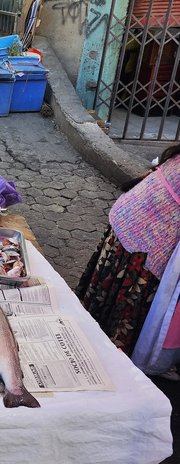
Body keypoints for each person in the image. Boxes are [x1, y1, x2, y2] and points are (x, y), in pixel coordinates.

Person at [75, 144, 179, 364]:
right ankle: (109, 358)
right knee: (126, 304)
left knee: (105, 296)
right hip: (145, 240)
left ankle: (88, 333)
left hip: (129, 221)